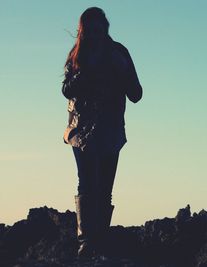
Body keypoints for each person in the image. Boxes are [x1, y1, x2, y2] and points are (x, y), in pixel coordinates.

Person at [61, 7, 143, 258]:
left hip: (109, 129)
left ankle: (99, 241)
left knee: (104, 186)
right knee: (87, 182)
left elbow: (136, 94)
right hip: (81, 130)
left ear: (105, 28)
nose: (96, 34)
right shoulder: (77, 56)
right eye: (90, 30)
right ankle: (86, 242)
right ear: (84, 31)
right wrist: (86, 72)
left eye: (99, 29)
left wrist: (121, 69)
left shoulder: (119, 53)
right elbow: (66, 90)